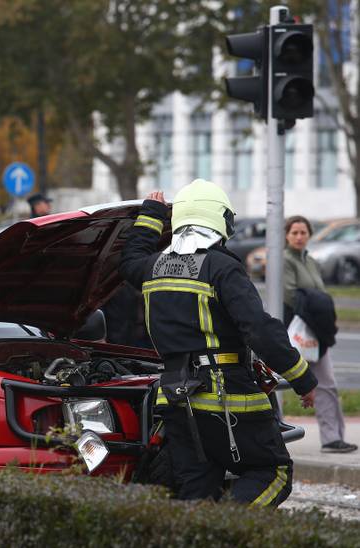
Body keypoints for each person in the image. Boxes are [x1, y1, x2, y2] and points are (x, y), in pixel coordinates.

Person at [119, 179, 317, 506]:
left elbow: (128, 260)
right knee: (274, 473)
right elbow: (259, 329)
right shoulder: (222, 267)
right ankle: (226, 531)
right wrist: (303, 378)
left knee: (196, 493)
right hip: (227, 395)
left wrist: (151, 217)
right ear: (220, 219)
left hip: (175, 400)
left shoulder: (152, 267)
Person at [283, 215, 357, 453]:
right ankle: (272, 435)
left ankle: (332, 438)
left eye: (303, 232)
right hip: (293, 332)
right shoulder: (284, 260)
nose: (299, 237)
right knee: (276, 385)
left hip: (315, 332)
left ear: (309, 235)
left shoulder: (310, 261)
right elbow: (290, 295)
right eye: (294, 232)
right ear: (286, 235)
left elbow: (321, 294)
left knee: (327, 384)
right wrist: (316, 304)